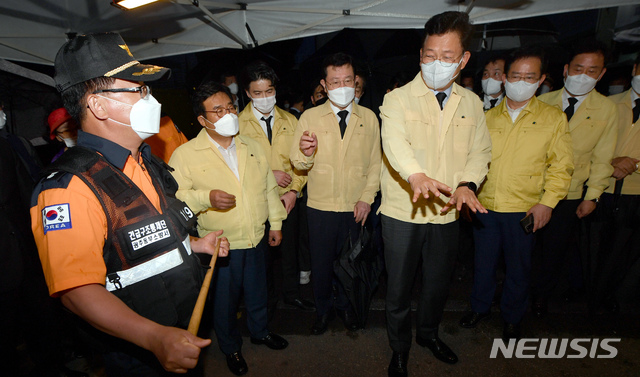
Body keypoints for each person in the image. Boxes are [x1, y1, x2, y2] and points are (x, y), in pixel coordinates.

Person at [30, 32, 230, 376]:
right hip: (138, 352)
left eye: (147, 89)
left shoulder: (144, 161)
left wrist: (195, 244)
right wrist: (154, 337)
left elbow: (142, 237)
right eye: (138, 90)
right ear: (98, 105)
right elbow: (77, 291)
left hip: (182, 331)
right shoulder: (69, 188)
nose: (150, 99)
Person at [379, 11, 492, 377]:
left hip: (446, 212)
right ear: (420, 54)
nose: (436, 63)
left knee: (437, 284)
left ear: (463, 60)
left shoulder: (473, 104)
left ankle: (428, 334)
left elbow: (481, 152)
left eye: (446, 56)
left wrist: (467, 184)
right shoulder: (397, 99)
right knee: (397, 290)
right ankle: (399, 348)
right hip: (403, 212)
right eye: (429, 54)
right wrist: (415, 174)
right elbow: (394, 142)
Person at [169, 81, 288, 376]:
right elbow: (175, 198)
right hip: (220, 245)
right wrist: (205, 198)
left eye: (230, 107)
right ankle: (231, 348)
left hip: (256, 237)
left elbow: (269, 188)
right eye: (218, 110)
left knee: (259, 292)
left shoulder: (252, 145)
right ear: (202, 119)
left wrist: (276, 223)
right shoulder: (185, 155)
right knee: (224, 302)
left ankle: (260, 331)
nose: (227, 114)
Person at [459, 45, 573, 341]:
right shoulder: (487, 117)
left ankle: (512, 317)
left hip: (524, 209)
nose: (521, 82)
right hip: (486, 206)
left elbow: (562, 167)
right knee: (482, 265)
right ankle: (480, 308)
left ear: (541, 79)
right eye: (515, 75)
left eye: (529, 76)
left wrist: (547, 204)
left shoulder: (553, 118)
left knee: (518, 270)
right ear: (504, 79)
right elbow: (473, 160)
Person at [290, 52, 381, 336]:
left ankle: (345, 307)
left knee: (349, 264)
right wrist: (306, 154)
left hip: (356, 206)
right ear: (324, 85)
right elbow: (297, 161)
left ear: (355, 83)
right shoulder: (310, 116)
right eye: (335, 81)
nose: (342, 87)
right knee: (321, 265)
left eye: (347, 81)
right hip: (320, 207)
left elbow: (376, 163)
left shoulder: (369, 117)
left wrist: (367, 197)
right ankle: (323, 310)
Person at [534, 41, 618, 315]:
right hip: (532, 190)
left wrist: (592, 196)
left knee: (554, 250)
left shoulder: (607, 110)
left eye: (592, 70)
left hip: (569, 194)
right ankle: (519, 291)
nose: (584, 75)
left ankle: (541, 298)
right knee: (527, 247)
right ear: (567, 69)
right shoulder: (543, 101)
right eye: (579, 68)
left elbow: (603, 158)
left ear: (601, 74)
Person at [237, 61, 314, 313]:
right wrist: (270, 174)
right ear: (247, 93)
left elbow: (300, 163)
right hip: (258, 201)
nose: (264, 98)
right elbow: (237, 166)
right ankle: (266, 301)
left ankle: (292, 294)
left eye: (268, 91)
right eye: (257, 93)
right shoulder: (237, 124)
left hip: (287, 199)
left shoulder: (291, 120)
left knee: (289, 251)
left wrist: (294, 191)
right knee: (263, 257)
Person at [590, 54, 640, 312]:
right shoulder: (608, 105)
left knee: (623, 252)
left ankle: (611, 299)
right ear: (635, 68)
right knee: (592, 247)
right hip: (599, 188)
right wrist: (612, 162)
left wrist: (635, 165)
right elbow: (589, 146)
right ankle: (587, 294)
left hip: (635, 193)